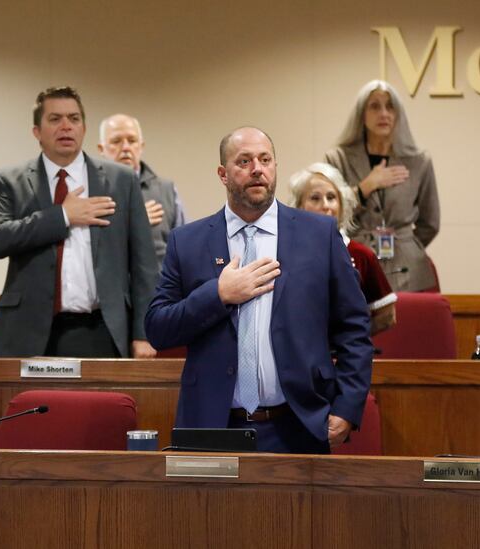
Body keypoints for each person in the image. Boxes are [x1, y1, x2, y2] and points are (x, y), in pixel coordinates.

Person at [145, 127, 372, 454]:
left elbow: (354, 329)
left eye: (265, 160)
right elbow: (158, 329)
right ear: (223, 174)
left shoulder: (318, 235)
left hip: (299, 425)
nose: (257, 169)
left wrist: (347, 406)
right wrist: (218, 295)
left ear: (275, 167)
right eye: (244, 161)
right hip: (214, 426)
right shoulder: (188, 241)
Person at [0, 87, 158, 359]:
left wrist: (144, 334)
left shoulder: (122, 180)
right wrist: (62, 216)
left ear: (84, 128)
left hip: (103, 328)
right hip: (30, 331)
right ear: (36, 131)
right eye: (55, 119)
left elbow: (144, 264)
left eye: (74, 119)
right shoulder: (11, 180)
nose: (66, 126)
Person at [325, 80, 440, 292]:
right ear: (361, 113)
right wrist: (364, 188)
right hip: (354, 267)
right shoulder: (337, 159)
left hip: (410, 272)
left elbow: (430, 223)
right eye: (375, 106)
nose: (384, 113)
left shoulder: (419, 161)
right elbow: (328, 216)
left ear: (398, 114)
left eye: (390, 106)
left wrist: (405, 244)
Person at [289, 162, 397, 335]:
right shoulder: (285, 253)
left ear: (341, 205)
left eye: (331, 197)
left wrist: (351, 338)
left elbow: (387, 315)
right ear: (299, 206)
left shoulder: (361, 255)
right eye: (315, 198)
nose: (326, 205)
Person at [97, 114, 186, 269]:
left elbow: (185, 247)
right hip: (112, 281)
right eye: (116, 141)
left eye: (132, 141)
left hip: (160, 282)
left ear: (141, 146)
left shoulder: (167, 191)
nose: (126, 147)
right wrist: (134, 221)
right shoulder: (91, 192)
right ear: (101, 149)